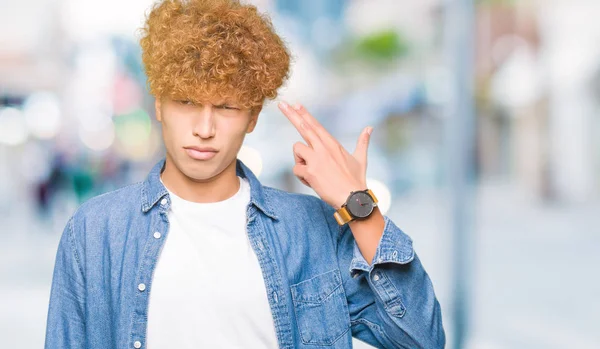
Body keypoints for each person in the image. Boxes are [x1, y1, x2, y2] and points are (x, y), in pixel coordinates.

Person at [44, 0, 445, 348]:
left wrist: (360, 207)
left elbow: (422, 340)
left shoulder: (312, 233)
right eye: (186, 101)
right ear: (160, 105)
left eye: (226, 107)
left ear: (252, 117)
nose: (204, 127)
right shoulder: (95, 233)